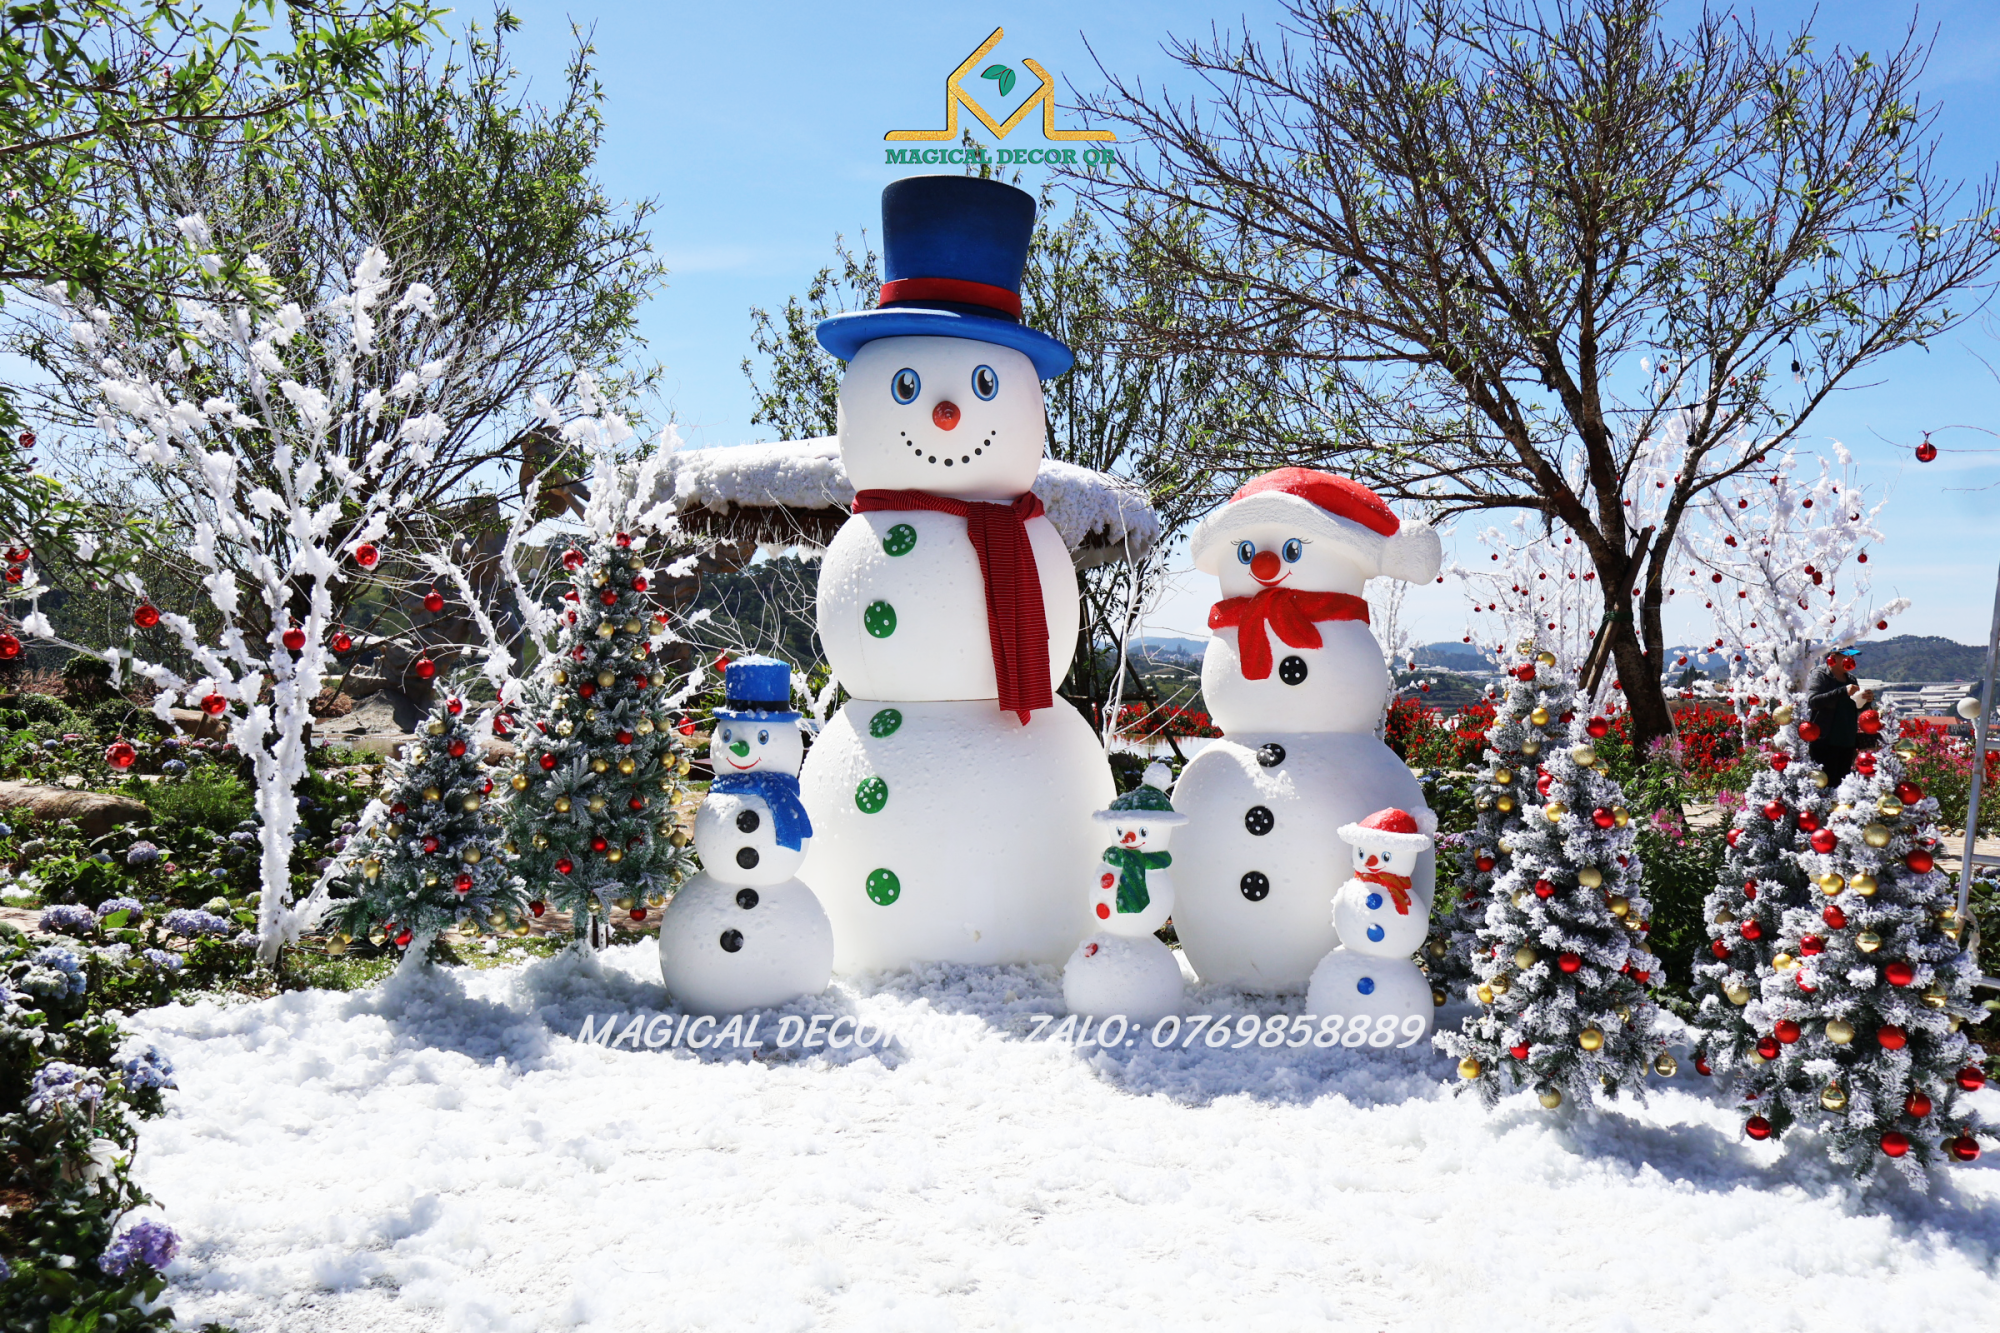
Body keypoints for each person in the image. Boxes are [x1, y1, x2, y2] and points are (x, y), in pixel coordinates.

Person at [1805, 648, 1872, 785]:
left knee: (1842, 785)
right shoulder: (1821, 675)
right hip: (1825, 743)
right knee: (1826, 784)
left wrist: (1866, 700)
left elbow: (1855, 707)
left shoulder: (1851, 679)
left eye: (1853, 657)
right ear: (1833, 656)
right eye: (1847, 656)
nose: (1851, 660)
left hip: (1847, 743)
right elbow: (1813, 701)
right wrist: (1842, 691)